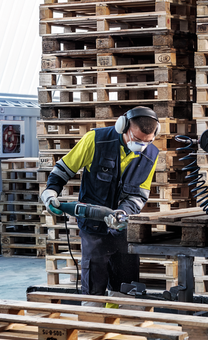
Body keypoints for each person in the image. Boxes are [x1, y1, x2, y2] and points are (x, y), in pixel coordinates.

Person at [41, 107, 160, 300]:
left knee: (126, 285)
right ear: (123, 127)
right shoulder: (96, 140)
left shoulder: (151, 154)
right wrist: (51, 191)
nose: (142, 146)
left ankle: (120, 324)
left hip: (123, 229)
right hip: (93, 227)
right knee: (94, 283)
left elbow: (140, 194)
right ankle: (93, 322)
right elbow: (64, 168)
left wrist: (122, 214)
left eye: (147, 141)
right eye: (137, 140)